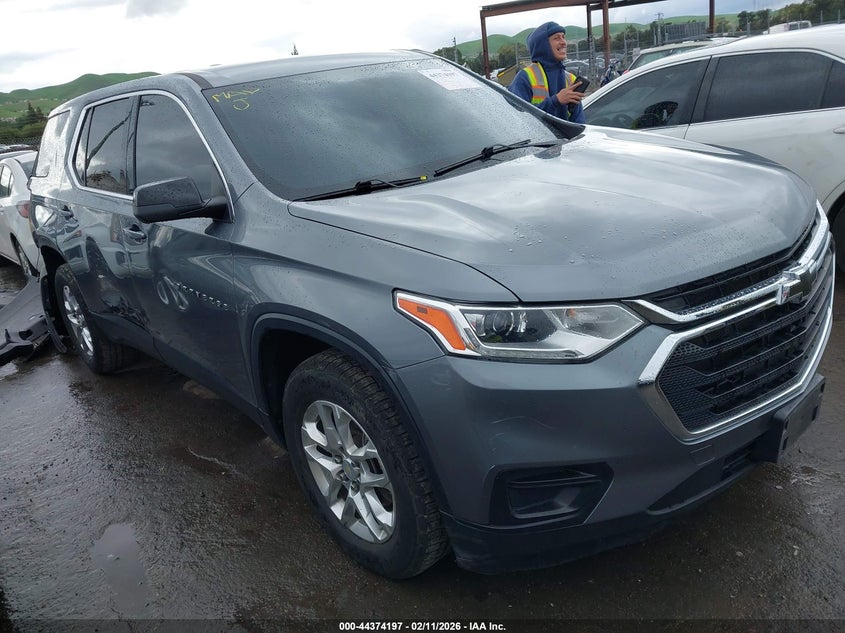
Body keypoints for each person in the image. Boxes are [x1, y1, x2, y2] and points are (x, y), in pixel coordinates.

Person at [508, 21, 586, 124]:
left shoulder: (571, 79)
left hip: (567, 140)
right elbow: (515, 117)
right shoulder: (525, 77)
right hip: (537, 140)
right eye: (557, 38)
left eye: (563, 37)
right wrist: (555, 101)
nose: (564, 42)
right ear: (543, 45)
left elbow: (579, 123)